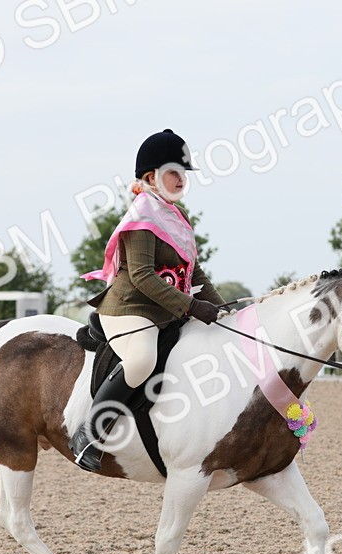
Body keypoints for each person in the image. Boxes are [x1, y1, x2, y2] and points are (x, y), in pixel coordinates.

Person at [71, 129, 226, 472]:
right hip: (130, 307)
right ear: (151, 176)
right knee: (141, 360)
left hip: (164, 309)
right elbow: (142, 276)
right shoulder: (143, 215)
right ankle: (90, 433)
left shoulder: (175, 217)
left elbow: (194, 274)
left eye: (184, 173)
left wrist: (223, 308)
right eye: (174, 172)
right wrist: (191, 307)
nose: (181, 179)